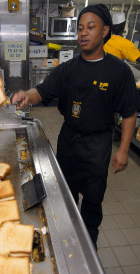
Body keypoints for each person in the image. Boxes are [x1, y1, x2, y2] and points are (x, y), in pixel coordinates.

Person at [12, 4, 138, 250]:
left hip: (98, 145)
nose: (83, 33)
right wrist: (26, 95)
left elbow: (129, 113)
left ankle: (89, 246)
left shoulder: (118, 71)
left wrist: (122, 150)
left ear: (105, 32)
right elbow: (42, 91)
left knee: (92, 200)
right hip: (69, 140)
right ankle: (67, 243)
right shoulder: (68, 69)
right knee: (66, 196)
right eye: (80, 28)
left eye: (91, 27)